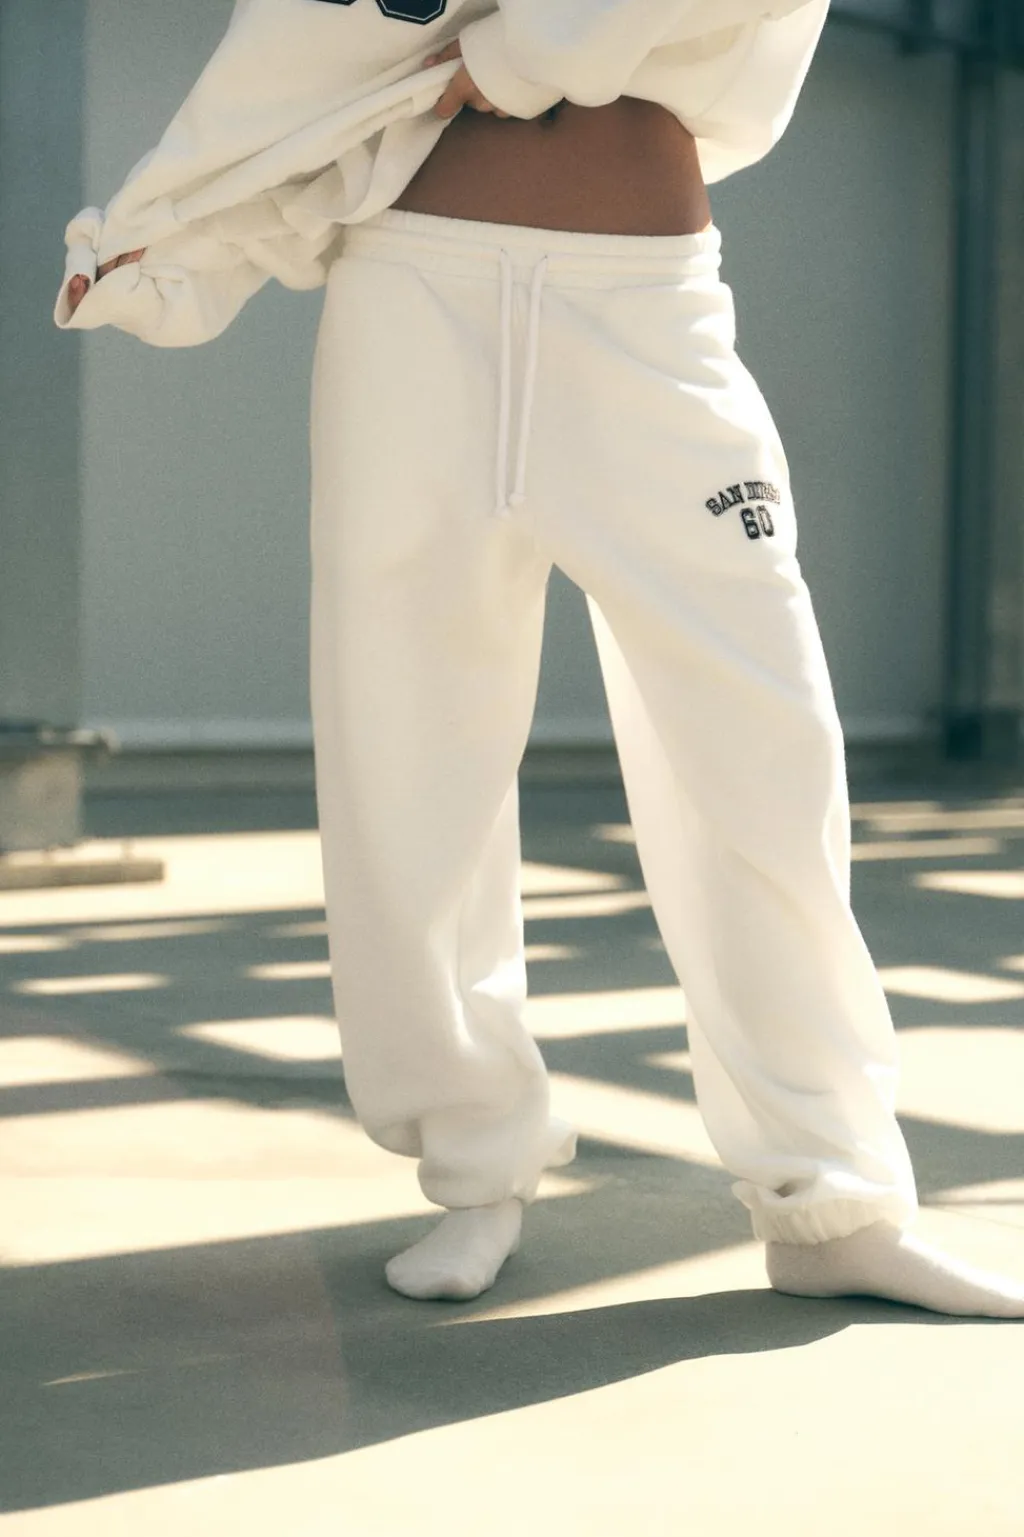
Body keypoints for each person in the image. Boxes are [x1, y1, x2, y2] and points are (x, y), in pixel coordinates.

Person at [60, 0, 1024, 1315]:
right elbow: (315, 45)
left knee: (765, 747)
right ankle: (477, 1166)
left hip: (647, 302)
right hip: (413, 289)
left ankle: (833, 1198)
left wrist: (514, 55)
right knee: (408, 745)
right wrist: (185, 227)